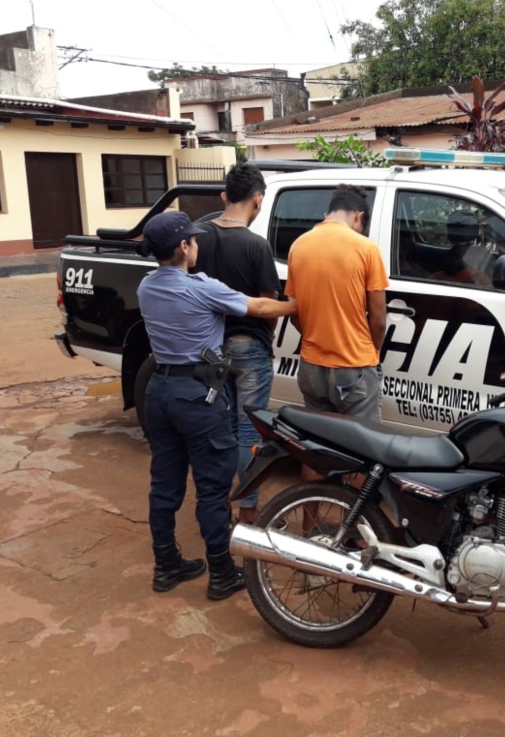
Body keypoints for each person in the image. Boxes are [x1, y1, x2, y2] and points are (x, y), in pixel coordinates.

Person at [136, 211, 295, 601]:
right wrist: (297, 306)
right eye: (193, 240)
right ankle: (222, 572)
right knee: (211, 486)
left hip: (159, 391)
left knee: (164, 484)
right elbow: (260, 308)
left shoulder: (146, 287)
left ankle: (166, 564)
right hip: (197, 395)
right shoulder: (201, 288)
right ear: (183, 247)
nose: (197, 245)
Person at [193, 162, 278, 525]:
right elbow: (268, 304)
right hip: (248, 345)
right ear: (257, 201)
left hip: (210, 349)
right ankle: (248, 510)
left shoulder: (196, 238)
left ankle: (219, 505)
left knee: (222, 428)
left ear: (224, 196)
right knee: (249, 430)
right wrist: (267, 335)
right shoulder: (256, 245)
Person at [285, 184, 389, 422]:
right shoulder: (366, 248)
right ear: (358, 216)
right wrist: (372, 352)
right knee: (363, 440)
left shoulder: (298, 245)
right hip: (354, 364)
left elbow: (294, 312)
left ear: (327, 214)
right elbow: (379, 320)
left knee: (318, 438)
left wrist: (316, 337)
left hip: (311, 367)